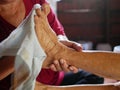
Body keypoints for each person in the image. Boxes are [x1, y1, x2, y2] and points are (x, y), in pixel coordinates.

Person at [0, 0, 107, 89]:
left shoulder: (37, 3)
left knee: (95, 76)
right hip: (19, 86)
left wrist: (59, 45)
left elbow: (58, 33)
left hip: (54, 81)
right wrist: (26, 55)